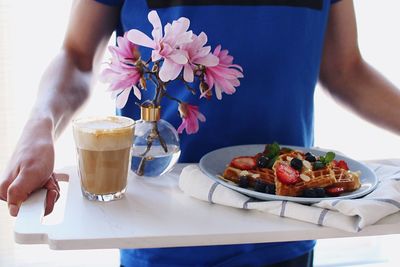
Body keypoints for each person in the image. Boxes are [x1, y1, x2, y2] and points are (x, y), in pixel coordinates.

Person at [1, 0, 400, 266]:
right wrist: (39, 127)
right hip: (160, 234)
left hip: (283, 230)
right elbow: (76, 54)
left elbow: (346, 71)